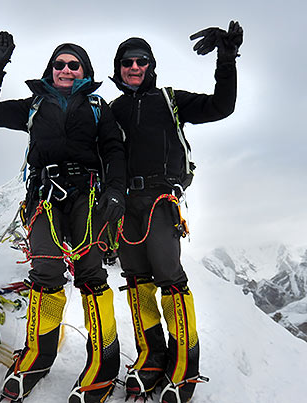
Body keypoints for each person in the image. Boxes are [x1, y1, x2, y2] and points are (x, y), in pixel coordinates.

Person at [0, 31, 126, 403]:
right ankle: (37, 357)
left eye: (73, 65)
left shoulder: (97, 106)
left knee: (91, 273)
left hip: (87, 194)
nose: (65, 69)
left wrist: (116, 191)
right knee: (45, 272)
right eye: (59, 64)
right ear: (51, 69)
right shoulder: (35, 105)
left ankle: (104, 367)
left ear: (84, 71)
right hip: (45, 195)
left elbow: (113, 149)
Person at [109, 21, 243, 403]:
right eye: (127, 62)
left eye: (141, 61)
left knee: (170, 278)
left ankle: (185, 364)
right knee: (136, 280)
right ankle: (151, 357)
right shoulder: (113, 110)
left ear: (151, 66)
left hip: (161, 201)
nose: (134, 67)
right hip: (124, 204)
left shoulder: (170, 100)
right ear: (119, 68)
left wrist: (227, 59)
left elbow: (222, 106)